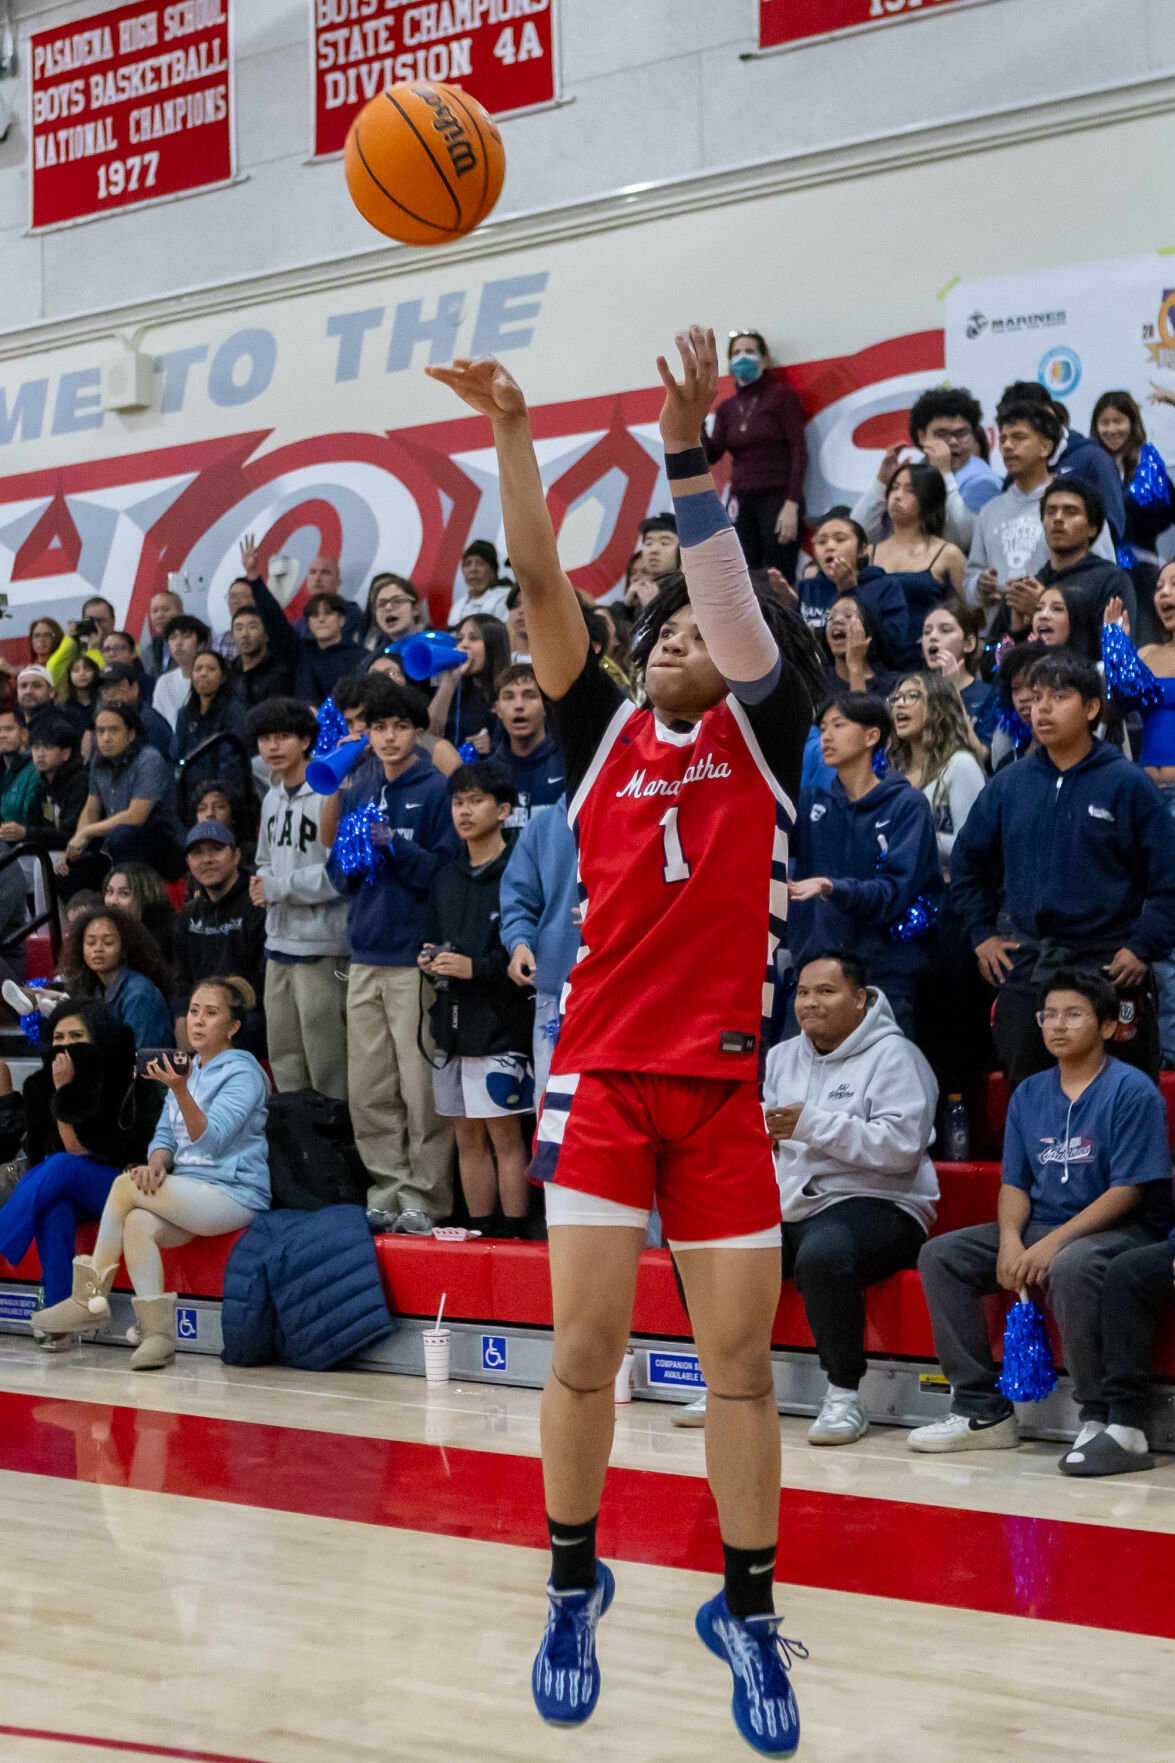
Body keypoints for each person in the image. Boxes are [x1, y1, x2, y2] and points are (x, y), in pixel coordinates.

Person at [428, 327, 824, 1752]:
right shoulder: (595, 732)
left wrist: (681, 449)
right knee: (584, 1351)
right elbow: (540, 582)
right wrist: (514, 431)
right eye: (649, 625)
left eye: (692, 633)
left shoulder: (766, 726)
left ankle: (750, 1610)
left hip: (718, 1092)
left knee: (733, 1366)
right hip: (601, 1080)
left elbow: (721, 593)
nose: (669, 636)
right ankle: (569, 1578)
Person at [909, 967, 1172, 1458]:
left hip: (1123, 1229)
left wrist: (1051, 1244)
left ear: (1109, 1026)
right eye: (1048, 1014)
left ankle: (1097, 1415)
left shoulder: (1133, 1091)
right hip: (1040, 1223)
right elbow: (1014, 1183)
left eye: (1073, 1014)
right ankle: (980, 1409)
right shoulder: (1029, 1093)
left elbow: (1129, 1191)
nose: (1057, 1025)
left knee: (1071, 1265)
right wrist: (1012, 1239)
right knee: (941, 1256)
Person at [950, 652, 1175, 1091]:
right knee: (1030, 1096)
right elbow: (968, 865)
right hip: (1032, 962)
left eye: (1058, 696)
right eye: (1035, 698)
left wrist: (1142, 947)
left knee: (1121, 1096)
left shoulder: (1128, 783)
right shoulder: (1009, 784)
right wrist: (981, 934)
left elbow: (1169, 880)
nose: (1042, 708)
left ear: (1091, 708)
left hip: (1109, 964)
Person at [31, 977, 270, 1370]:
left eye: (211, 1014)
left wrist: (178, 1090)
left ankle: (88, 1297)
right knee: (139, 1223)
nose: (197, 1021)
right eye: (193, 1011)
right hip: (192, 1189)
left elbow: (210, 1141)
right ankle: (157, 1336)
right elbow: (165, 1135)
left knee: (124, 1186)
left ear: (233, 1027)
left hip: (234, 1191)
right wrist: (156, 1163)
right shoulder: (189, 1069)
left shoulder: (242, 1073)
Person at [763, 953, 938, 1445]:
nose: (810, 1003)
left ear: (860, 999)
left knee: (824, 1255)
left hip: (883, 1201)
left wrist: (812, 1125)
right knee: (714, 1242)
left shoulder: (897, 1057)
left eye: (826, 991)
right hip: (795, 1201)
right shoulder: (781, 1057)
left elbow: (902, 1150)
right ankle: (727, 1382)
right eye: (802, 992)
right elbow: (773, 1137)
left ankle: (844, 1395)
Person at [329, 676, 458, 1231]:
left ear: (416, 732)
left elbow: (446, 875)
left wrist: (393, 845)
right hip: (364, 955)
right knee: (369, 1090)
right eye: (377, 727)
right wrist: (353, 857)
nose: (387, 737)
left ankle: (426, 1198)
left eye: (399, 726)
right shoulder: (357, 786)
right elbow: (338, 879)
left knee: (419, 1089)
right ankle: (387, 1189)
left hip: (415, 958)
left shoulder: (435, 789)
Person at [421, 761, 534, 1237]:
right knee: (465, 1132)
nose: (464, 811)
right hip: (449, 1021)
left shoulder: (517, 870)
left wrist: (478, 967)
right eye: (458, 802)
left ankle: (516, 1234)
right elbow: (432, 935)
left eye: (476, 801)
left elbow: (528, 953)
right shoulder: (446, 875)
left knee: (504, 1134)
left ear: (504, 809)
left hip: (501, 1020)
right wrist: (430, 959)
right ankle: (481, 1231)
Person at [788, 695, 942, 1039]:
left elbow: (895, 892)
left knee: (886, 1087)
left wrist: (833, 887)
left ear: (872, 736)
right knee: (792, 1088)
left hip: (883, 977)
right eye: (823, 727)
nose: (826, 736)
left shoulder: (907, 806)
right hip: (816, 975)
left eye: (839, 725)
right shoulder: (813, 802)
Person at [0, 999, 158, 1329]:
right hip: (70, 1184)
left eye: (77, 1036)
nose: (66, 1045)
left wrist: (67, 1094)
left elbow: (86, 1151)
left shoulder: (125, 1079)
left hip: (125, 1184)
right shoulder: (38, 1086)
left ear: (97, 1036)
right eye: (59, 1038)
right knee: (54, 1206)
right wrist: (60, 1091)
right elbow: (41, 1153)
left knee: (62, 1167)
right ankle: (62, 1317)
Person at [250, 698, 350, 1101]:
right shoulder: (271, 797)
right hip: (278, 944)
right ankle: (297, 1149)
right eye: (265, 738)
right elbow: (262, 859)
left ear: (307, 740)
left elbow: (337, 874)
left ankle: (337, 1155)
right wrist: (263, 883)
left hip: (322, 946)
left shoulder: (327, 792)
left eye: (283, 737)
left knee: (327, 1065)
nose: (273, 747)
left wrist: (277, 888)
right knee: (286, 1061)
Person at [703, 329, 808, 579]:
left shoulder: (782, 396)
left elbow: (799, 451)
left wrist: (791, 504)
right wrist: (696, 422)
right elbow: (712, 455)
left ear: (764, 360)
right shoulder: (726, 408)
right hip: (741, 501)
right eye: (737, 352)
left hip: (778, 499)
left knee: (778, 576)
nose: (743, 357)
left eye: (750, 351)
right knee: (745, 577)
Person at [852, 387, 1001, 552]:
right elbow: (859, 535)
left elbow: (966, 539)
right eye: (942, 434)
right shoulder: (914, 472)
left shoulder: (983, 480)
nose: (953, 442)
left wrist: (945, 475)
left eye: (962, 433)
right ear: (922, 437)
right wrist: (882, 484)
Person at [501, 794, 579, 1100]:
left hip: (619, 990)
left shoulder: (633, 810)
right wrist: (519, 942)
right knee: (550, 1104)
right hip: (554, 990)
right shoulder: (543, 825)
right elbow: (519, 898)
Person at [63, 703, 184, 887]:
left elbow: (135, 817)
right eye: (100, 731)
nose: (105, 738)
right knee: (67, 872)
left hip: (163, 847)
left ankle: (133, 902)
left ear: (131, 735)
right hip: (118, 845)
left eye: (113, 730)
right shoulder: (98, 761)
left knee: (123, 834)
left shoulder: (149, 760)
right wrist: (76, 842)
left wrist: (88, 832)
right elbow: (90, 809)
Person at [964, 397, 1060, 623]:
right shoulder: (989, 511)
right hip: (1001, 640)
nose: (1007, 446)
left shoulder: (1074, 504)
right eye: (1003, 439)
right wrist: (980, 586)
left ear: (1046, 446)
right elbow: (969, 586)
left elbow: (1098, 575)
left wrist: (1043, 601)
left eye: (1018, 437)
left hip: (1055, 638)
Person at [173, 822, 266, 1054]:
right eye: (197, 853)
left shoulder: (257, 906)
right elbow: (181, 979)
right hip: (202, 1012)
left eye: (216, 850)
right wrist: (181, 1017)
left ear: (235, 856)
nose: (207, 859)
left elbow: (262, 980)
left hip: (244, 1015)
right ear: (188, 863)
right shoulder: (187, 915)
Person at [998, 379, 1126, 546]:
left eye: (1020, 435)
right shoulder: (1014, 475)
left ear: (1049, 413)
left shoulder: (1094, 461)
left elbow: (1113, 527)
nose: (1009, 445)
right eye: (1006, 436)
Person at [1092, 389, 1175, 647]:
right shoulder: (1091, 464)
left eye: (1118, 421)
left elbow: (1165, 512)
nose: (1112, 429)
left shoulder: (1146, 460)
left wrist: (1132, 500)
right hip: (1102, 573)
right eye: (1105, 422)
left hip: (1142, 572)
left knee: (1144, 642)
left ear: (1132, 423)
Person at [887, 672, 987, 877]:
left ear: (938, 705)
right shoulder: (895, 771)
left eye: (912, 696)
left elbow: (970, 844)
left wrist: (914, 836)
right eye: (895, 698)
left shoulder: (960, 764)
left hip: (948, 894)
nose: (899, 704)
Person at [870, 464, 966, 667]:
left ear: (928, 498)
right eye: (894, 487)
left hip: (929, 663)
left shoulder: (948, 554)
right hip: (877, 664)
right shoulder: (869, 554)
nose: (897, 496)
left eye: (909, 490)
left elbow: (971, 614)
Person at [58, 905, 174, 1051]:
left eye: (108, 942)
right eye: (90, 942)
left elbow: (140, 1057)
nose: (98, 949)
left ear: (124, 948)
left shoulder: (139, 994)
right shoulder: (97, 989)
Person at [798, 510, 906, 663]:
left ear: (862, 550)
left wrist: (849, 590)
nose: (829, 547)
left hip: (874, 678)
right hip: (822, 678)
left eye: (840, 539)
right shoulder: (808, 587)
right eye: (821, 542)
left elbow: (891, 648)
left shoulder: (886, 587)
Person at [2, 716, 88, 883]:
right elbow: (35, 825)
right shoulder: (42, 783)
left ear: (65, 752)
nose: (40, 754)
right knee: (10, 866)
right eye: (35, 747)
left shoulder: (79, 782)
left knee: (32, 868)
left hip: (78, 853)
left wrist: (26, 833)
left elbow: (69, 833)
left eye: (47, 747)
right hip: (47, 851)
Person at [172, 648, 250, 799]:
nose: (203, 673)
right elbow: (177, 757)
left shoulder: (234, 710)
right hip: (189, 795)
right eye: (198, 669)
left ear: (223, 678)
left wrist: (214, 793)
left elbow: (231, 761)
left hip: (224, 794)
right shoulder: (185, 714)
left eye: (211, 669)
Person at [493, 662, 565, 825]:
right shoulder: (489, 772)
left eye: (529, 695)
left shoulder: (568, 766)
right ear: (498, 709)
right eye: (509, 697)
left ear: (547, 706)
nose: (519, 706)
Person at [921, 598, 995, 754]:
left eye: (945, 630)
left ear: (969, 644)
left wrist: (952, 693)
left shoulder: (989, 695)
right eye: (927, 632)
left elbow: (981, 755)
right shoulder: (916, 693)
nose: (932, 637)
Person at [428, 612, 510, 753]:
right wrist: (449, 683)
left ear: (493, 646)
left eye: (474, 638)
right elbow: (429, 736)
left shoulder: (509, 690)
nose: (463, 645)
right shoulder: (453, 687)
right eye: (460, 639)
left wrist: (495, 745)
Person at [294, 592, 368, 707]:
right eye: (315, 615)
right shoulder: (300, 652)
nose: (321, 619)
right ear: (308, 624)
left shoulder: (362, 657)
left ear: (341, 620)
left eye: (328, 613)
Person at [821, 596, 895, 703]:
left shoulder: (890, 685)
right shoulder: (818, 680)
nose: (837, 620)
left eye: (848, 615)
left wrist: (855, 666)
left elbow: (860, 717)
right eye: (830, 617)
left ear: (867, 631)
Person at [104, 862, 178, 968]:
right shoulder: (107, 928)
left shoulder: (169, 934)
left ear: (145, 896)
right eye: (109, 892)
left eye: (124, 893)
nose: (112, 901)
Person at [97, 663, 173, 757]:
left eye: (117, 687)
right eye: (105, 689)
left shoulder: (150, 723)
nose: (111, 694)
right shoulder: (104, 722)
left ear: (134, 689)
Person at [228, 604, 296, 709]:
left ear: (267, 634)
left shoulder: (280, 672)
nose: (244, 634)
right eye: (238, 628)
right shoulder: (228, 672)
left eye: (252, 627)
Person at [152, 614, 210, 731]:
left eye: (186, 636)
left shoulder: (213, 678)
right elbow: (159, 724)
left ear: (201, 644)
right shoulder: (164, 682)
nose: (178, 643)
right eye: (173, 637)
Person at [448, 539, 513, 627]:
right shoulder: (458, 605)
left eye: (480, 563)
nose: (473, 569)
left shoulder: (507, 597)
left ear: (493, 571)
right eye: (468, 564)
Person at [0, 706, 40, 828]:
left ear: (24, 734)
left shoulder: (35, 769)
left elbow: (29, 820)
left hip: (22, 842)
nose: (2, 735)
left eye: (8, 729)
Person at [363, 573, 426, 650]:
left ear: (415, 609)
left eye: (397, 601)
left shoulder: (439, 644)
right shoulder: (375, 660)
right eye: (382, 604)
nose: (388, 607)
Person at [141, 589, 183, 678]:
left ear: (180, 613)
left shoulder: (195, 645)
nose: (159, 615)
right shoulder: (148, 652)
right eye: (155, 611)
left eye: (166, 609)